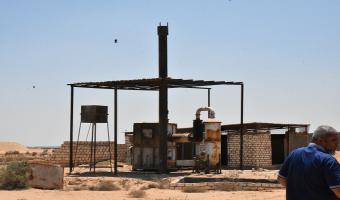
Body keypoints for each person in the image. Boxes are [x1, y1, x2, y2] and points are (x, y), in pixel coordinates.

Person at [278, 125, 340, 200]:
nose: (337, 144)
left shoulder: (294, 153)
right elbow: (338, 190)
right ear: (320, 141)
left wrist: (301, 191)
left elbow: (281, 179)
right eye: (333, 140)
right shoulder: (328, 160)